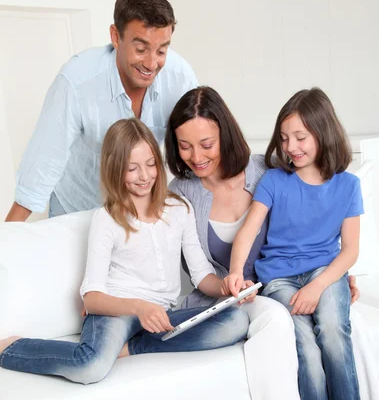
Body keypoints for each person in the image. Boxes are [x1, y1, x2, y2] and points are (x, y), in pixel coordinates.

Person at [166, 86, 379, 400]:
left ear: (226, 135)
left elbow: (312, 217)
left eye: (207, 144)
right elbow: (199, 270)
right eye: (184, 145)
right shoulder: (182, 192)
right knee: (279, 323)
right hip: (239, 296)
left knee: (349, 326)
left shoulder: (264, 169)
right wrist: (232, 284)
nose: (197, 156)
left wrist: (329, 277)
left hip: (294, 282)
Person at [0, 118, 251, 384]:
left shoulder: (180, 209)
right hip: (115, 312)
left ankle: (132, 347)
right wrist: (138, 308)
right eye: (132, 168)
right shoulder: (107, 219)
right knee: (91, 367)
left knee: (236, 321)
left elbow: (201, 275)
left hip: (158, 316)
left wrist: (227, 287)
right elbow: (92, 299)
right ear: (116, 169)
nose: (144, 176)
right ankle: (11, 347)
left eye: (151, 164)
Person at [224, 87, 367, 400]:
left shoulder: (348, 185)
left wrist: (319, 286)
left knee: (335, 337)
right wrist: (235, 272)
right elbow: (248, 232)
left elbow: (350, 251)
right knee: (304, 348)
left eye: (300, 136)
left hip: (324, 276)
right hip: (280, 279)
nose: (291, 146)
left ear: (323, 132)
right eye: (284, 138)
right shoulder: (274, 181)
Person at [5, 0, 197, 222]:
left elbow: (195, 144)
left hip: (138, 212)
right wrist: (8, 239)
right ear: (116, 37)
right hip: (78, 209)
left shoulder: (180, 77)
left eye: (161, 50)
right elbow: (43, 162)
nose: (151, 63)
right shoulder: (76, 82)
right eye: (140, 49)